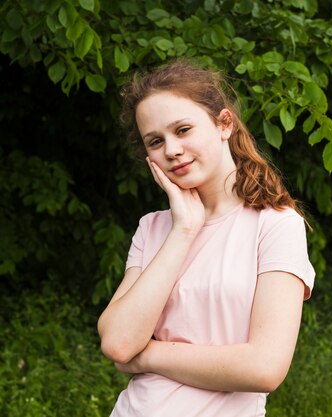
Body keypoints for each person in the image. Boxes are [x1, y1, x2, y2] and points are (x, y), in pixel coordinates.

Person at [97, 59, 315, 417]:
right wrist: (184, 229)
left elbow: (265, 367)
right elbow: (119, 342)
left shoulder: (276, 226)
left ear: (223, 124)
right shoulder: (153, 228)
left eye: (182, 130)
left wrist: (149, 354)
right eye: (156, 141)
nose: (171, 150)